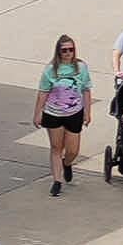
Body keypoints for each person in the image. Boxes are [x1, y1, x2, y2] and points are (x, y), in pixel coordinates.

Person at [32, 35, 90, 191]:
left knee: (72, 150)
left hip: (74, 112)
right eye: (64, 50)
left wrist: (87, 112)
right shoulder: (50, 70)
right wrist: (38, 113)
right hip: (53, 113)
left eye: (71, 50)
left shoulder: (81, 67)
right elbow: (43, 92)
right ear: (58, 52)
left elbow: (86, 89)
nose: (68, 53)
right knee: (56, 147)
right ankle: (57, 181)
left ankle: (67, 163)